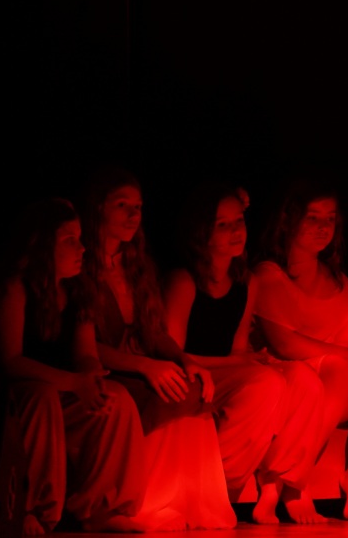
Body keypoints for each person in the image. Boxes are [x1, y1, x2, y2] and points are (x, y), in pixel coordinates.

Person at [81, 170, 234, 530]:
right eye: (122, 205)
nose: (133, 215)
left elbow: (154, 331)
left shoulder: (136, 264)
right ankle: (138, 502)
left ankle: (184, 499)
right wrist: (146, 366)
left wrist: (184, 359)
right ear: (98, 208)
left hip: (138, 363)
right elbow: (83, 345)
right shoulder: (81, 265)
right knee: (164, 391)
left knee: (191, 387)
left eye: (138, 206)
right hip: (105, 368)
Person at [162, 184, 326, 522]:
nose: (236, 231)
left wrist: (248, 361)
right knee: (266, 382)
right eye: (223, 225)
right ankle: (222, 482)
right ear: (202, 232)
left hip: (227, 371)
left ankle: (276, 481)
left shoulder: (247, 283)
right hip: (192, 373)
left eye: (238, 221)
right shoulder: (184, 281)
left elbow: (237, 348)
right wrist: (246, 363)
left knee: (304, 379)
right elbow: (174, 355)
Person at [250, 180, 348, 522]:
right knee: (337, 367)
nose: (323, 227)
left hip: (333, 381)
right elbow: (284, 344)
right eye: (312, 217)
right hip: (286, 378)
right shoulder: (270, 274)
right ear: (289, 220)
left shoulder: (338, 282)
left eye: (330, 219)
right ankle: (289, 481)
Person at [0, 198, 146, 535]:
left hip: (61, 389)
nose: (82, 248)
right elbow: (10, 361)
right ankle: (31, 508)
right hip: (16, 395)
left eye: (80, 239)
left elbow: (85, 352)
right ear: (42, 245)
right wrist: (74, 383)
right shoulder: (16, 288)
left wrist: (91, 377)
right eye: (69, 240)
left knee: (116, 399)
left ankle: (99, 508)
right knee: (43, 396)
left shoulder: (77, 290)